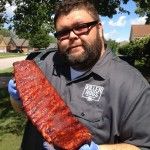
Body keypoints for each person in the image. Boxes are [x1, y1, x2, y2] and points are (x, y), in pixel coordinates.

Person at [8, 0, 150, 150]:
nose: (72, 36)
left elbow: (143, 145)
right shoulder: (43, 64)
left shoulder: (131, 84)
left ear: (99, 28)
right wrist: (16, 97)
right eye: (63, 32)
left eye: (81, 27)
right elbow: (21, 110)